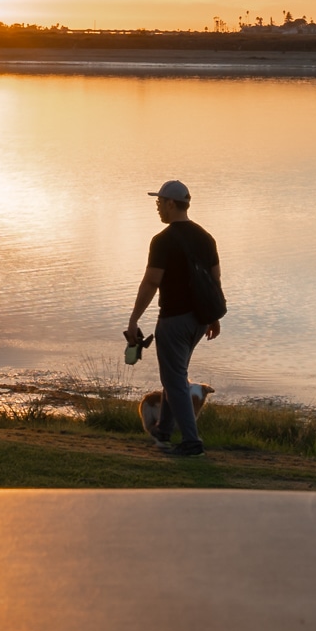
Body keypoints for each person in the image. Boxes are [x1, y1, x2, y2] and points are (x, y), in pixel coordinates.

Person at [124, 179, 220, 457]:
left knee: (175, 380)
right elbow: (215, 279)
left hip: (174, 320)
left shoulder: (163, 241)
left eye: (159, 202)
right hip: (199, 321)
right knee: (175, 377)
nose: (157, 208)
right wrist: (213, 317)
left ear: (170, 204)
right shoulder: (206, 237)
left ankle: (192, 442)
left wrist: (133, 319)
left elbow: (152, 282)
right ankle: (164, 431)